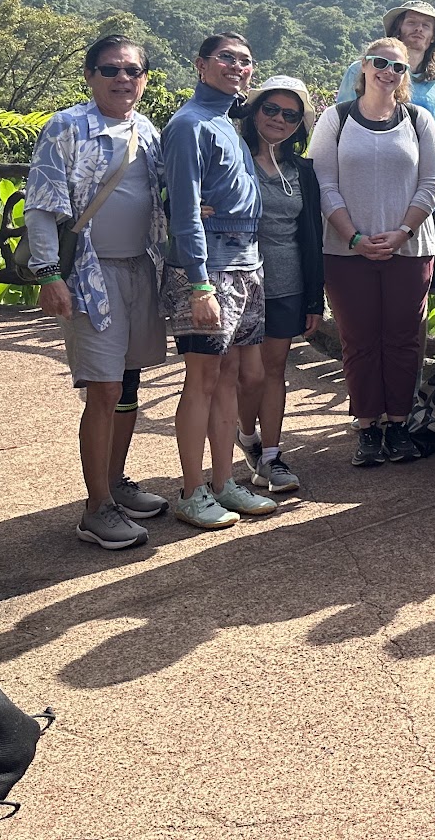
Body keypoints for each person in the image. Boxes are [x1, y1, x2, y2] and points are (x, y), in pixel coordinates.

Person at [24, 34, 170, 550]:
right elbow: (42, 202)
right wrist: (47, 274)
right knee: (104, 388)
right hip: (89, 272)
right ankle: (95, 509)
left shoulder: (148, 131)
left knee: (127, 384)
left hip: (140, 268)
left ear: (145, 79)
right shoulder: (66, 126)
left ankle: (115, 483)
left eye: (132, 70)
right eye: (110, 70)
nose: (122, 79)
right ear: (90, 76)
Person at [161, 32, 281, 529]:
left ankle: (222, 481)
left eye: (246, 61)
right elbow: (185, 207)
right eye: (226, 58)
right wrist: (199, 284)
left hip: (244, 264)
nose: (237, 67)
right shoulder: (189, 124)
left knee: (231, 374)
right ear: (201, 64)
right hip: (209, 270)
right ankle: (192, 490)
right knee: (203, 378)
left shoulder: (227, 123)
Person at [312, 36, 435, 468]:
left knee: (404, 340)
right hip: (346, 251)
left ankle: (399, 424)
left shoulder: (419, 120)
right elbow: (324, 184)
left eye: (398, 66)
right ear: (363, 66)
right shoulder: (336, 119)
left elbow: (432, 183)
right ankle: (367, 426)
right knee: (360, 339)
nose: (388, 71)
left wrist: (403, 231)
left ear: (406, 74)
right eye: (380, 62)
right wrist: (353, 237)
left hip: (409, 248)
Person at [233, 76, 324, 495]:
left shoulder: (302, 171)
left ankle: (270, 455)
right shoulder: (232, 158)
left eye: (290, 115)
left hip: (286, 282)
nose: (279, 120)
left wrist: (313, 297)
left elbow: (311, 237)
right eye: (271, 110)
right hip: (238, 279)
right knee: (245, 375)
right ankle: (246, 436)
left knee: (273, 370)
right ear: (254, 112)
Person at [335, 0, 435, 135]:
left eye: (426, 25)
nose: (419, 28)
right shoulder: (363, 70)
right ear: (398, 29)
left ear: (433, 37)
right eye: (411, 22)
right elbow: (341, 121)